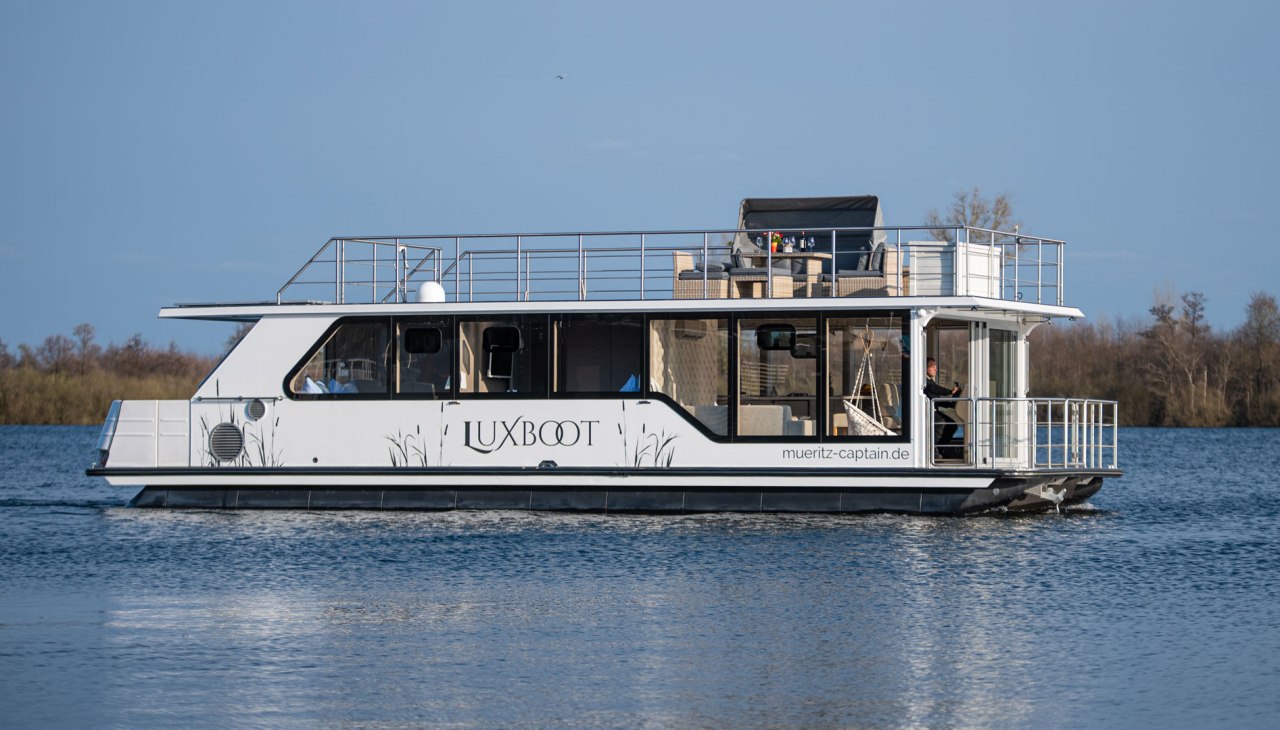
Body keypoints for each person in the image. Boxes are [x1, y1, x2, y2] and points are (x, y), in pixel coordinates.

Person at [923, 357, 963, 457]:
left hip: (933, 410)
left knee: (952, 425)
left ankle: (940, 449)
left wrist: (951, 403)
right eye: (932, 367)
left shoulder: (930, 381)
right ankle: (930, 450)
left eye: (936, 367)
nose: (935, 369)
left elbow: (936, 398)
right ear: (925, 368)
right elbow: (934, 389)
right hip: (926, 411)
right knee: (940, 422)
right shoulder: (924, 382)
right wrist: (950, 391)